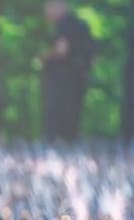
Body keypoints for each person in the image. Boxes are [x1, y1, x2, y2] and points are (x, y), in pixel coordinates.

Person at [41, 0, 94, 140]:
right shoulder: (81, 25)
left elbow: (61, 50)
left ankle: (55, 145)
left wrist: (44, 57)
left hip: (62, 77)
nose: (47, 12)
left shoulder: (64, 24)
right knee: (73, 113)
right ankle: (69, 143)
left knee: (57, 111)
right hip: (79, 76)